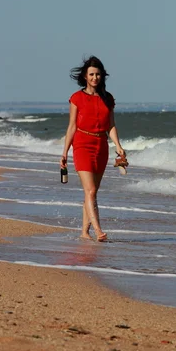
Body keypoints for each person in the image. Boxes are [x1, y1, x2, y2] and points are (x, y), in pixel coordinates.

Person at [60, 55, 126, 242]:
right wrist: (64, 152)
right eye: (91, 74)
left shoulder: (108, 98)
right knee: (90, 191)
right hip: (82, 145)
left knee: (92, 191)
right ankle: (98, 231)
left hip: (101, 146)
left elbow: (111, 125)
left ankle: (84, 232)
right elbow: (72, 126)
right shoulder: (77, 98)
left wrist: (118, 146)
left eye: (97, 74)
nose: (95, 77)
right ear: (85, 76)